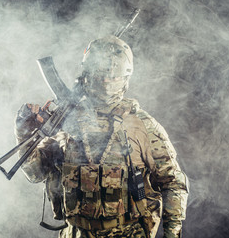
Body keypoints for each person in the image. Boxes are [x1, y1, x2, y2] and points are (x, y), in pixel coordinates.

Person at [14, 36, 189, 238]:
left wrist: (172, 234)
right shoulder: (67, 122)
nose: (106, 81)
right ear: (87, 74)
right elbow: (34, 173)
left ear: (125, 78)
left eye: (113, 77)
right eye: (101, 75)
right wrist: (23, 130)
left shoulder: (141, 126)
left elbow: (172, 183)